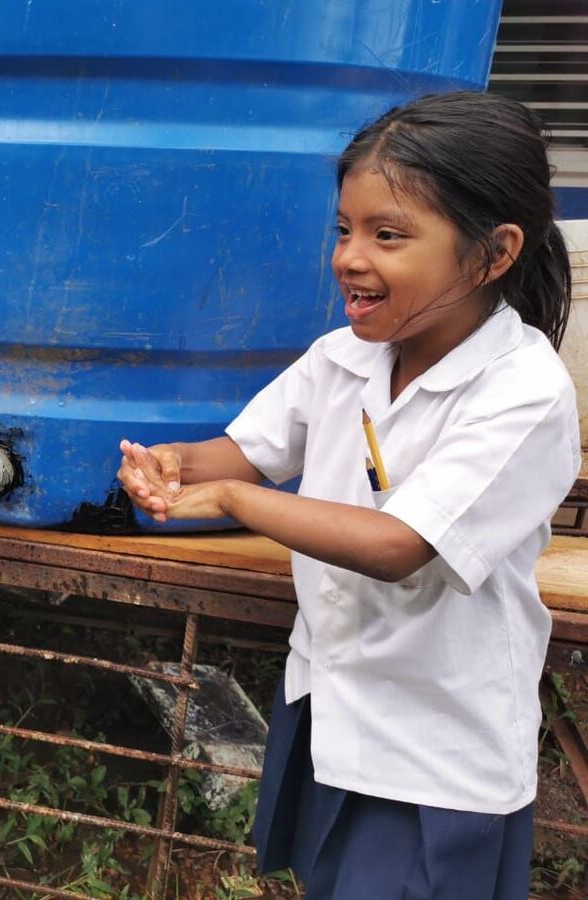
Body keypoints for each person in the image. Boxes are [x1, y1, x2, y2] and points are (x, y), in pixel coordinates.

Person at [117, 91, 579, 899]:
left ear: (494, 252)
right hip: (330, 702)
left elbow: (399, 546)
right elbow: (244, 452)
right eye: (344, 229)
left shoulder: (523, 389)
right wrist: (177, 463)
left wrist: (232, 501)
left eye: (388, 235)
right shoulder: (344, 357)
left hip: (437, 749)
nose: (349, 258)